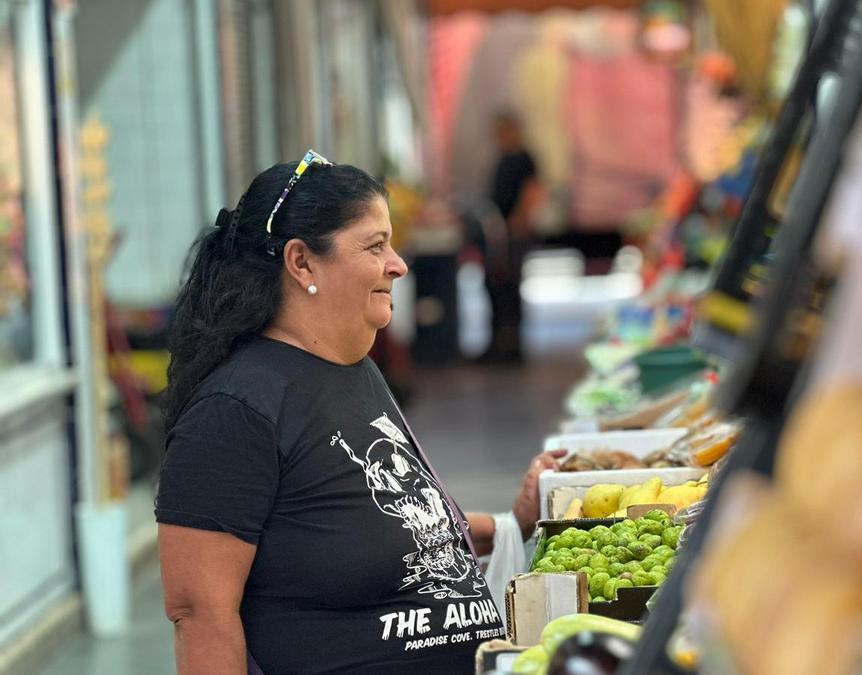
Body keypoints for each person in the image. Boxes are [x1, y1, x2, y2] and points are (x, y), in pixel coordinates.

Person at [156, 151, 563, 674]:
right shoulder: (234, 412)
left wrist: (514, 524)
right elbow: (200, 615)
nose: (398, 263)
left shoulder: (354, 370)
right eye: (375, 246)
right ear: (302, 262)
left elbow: (395, 533)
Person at [483, 111, 542, 363]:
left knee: (510, 286)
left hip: (513, 233)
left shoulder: (524, 158)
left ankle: (512, 345)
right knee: (496, 285)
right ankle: (498, 342)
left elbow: (532, 193)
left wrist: (519, 224)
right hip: (500, 232)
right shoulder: (504, 157)